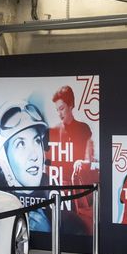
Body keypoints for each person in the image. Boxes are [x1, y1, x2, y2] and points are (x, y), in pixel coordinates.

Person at [0, 99, 49, 230]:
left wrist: (49, 230)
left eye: (37, 141)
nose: (34, 156)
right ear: (4, 160)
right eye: (21, 144)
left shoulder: (70, 219)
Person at [50, 85, 96, 232]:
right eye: (57, 110)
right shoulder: (53, 131)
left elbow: (89, 160)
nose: (59, 113)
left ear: (71, 105)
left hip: (79, 191)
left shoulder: (84, 129)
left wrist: (81, 163)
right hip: (59, 190)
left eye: (62, 108)